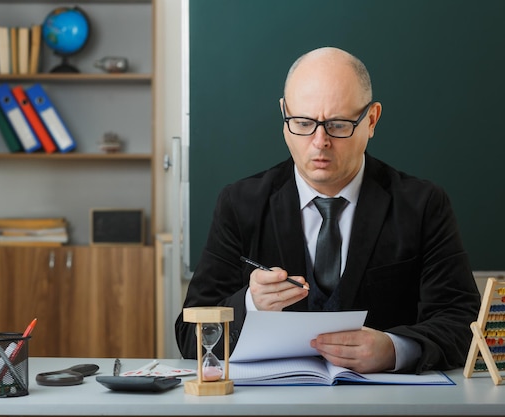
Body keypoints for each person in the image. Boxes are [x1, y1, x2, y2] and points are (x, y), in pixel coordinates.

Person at [175, 47, 480, 374]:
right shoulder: (239, 204)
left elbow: (464, 322)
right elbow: (187, 335)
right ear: (284, 113)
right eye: (303, 123)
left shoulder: (422, 205)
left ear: (372, 119)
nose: (319, 141)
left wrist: (394, 350)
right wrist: (251, 304)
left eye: (337, 125)